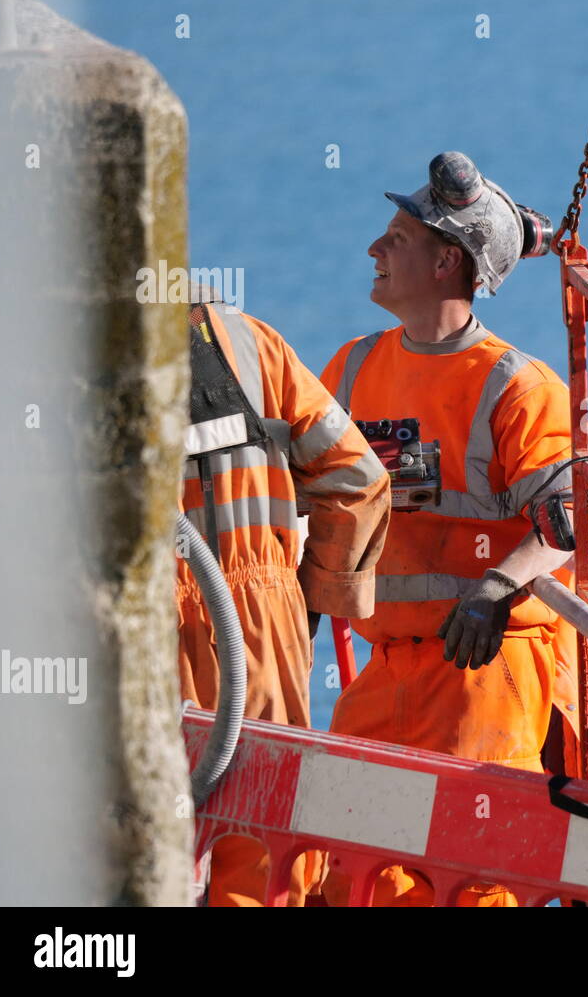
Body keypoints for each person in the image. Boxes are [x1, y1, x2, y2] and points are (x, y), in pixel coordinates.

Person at [318, 151, 588, 907]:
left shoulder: (515, 386)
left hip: (484, 675)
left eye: (396, 237)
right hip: (388, 666)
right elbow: (314, 498)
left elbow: (569, 519)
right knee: (344, 861)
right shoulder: (352, 370)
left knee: (471, 877)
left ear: (447, 259)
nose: (375, 251)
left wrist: (494, 587)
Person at [178, 299, 391, 906]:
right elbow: (358, 479)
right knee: (267, 845)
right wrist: (312, 602)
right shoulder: (246, 341)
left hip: (141, 633)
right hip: (266, 625)